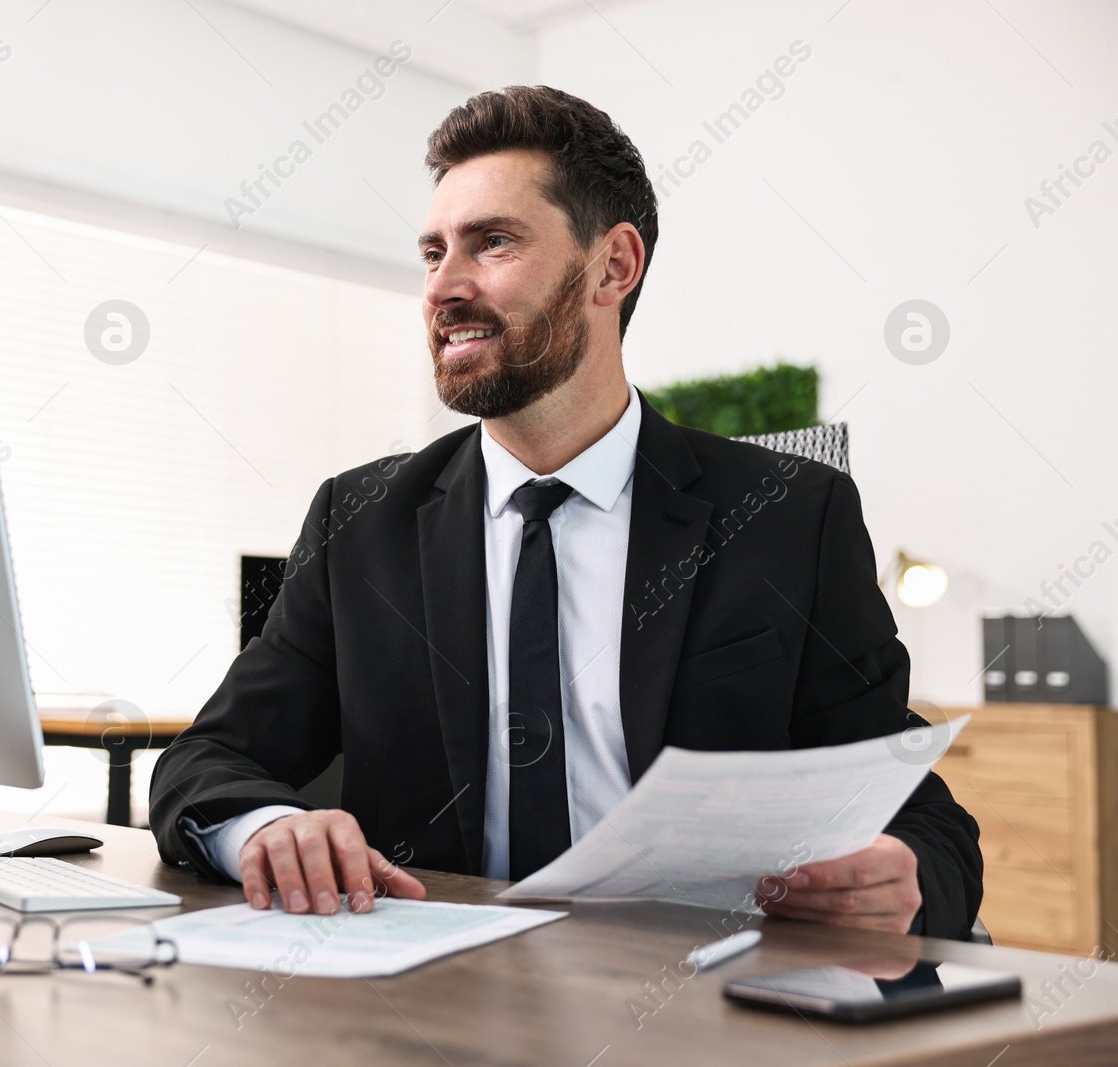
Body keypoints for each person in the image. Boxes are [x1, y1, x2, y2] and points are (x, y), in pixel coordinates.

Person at [149, 85, 982, 940]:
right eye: (433, 253)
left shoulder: (789, 517)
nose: (444, 286)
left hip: (695, 1001)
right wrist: (267, 826)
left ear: (613, 267)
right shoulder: (358, 521)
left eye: (492, 243)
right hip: (434, 997)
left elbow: (916, 808)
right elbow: (205, 760)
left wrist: (909, 876)